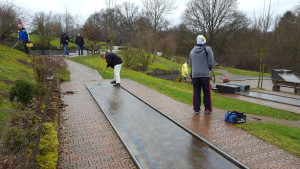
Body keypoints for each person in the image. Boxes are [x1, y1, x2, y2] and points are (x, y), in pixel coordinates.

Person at [189, 35, 214, 114]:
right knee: (207, 92)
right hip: (205, 75)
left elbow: (190, 64)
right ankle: (207, 108)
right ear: (204, 41)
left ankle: (196, 109)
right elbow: (211, 63)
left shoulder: (192, 51)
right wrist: (208, 69)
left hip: (195, 75)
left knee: (196, 92)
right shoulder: (208, 49)